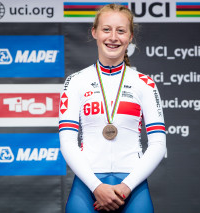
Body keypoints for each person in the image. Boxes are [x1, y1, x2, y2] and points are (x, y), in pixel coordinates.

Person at [59, 4, 167, 212]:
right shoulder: (75, 81)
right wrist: (96, 186)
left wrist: (125, 188)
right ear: (95, 32)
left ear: (130, 36)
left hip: (132, 186)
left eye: (121, 31)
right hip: (88, 184)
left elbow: (158, 143)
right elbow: (67, 142)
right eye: (106, 29)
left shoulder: (145, 83)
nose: (113, 37)